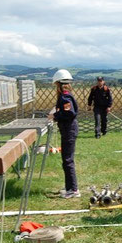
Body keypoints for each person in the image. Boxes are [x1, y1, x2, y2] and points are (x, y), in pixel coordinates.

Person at [49, 69, 80, 199]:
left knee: (67, 160)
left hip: (69, 130)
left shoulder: (65, 97)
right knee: (66, 160)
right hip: (67, 129)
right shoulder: (65, 96)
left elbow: (70, 113)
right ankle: (69, 187)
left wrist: (55, 115)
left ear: (59, 84)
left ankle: (73, 189)